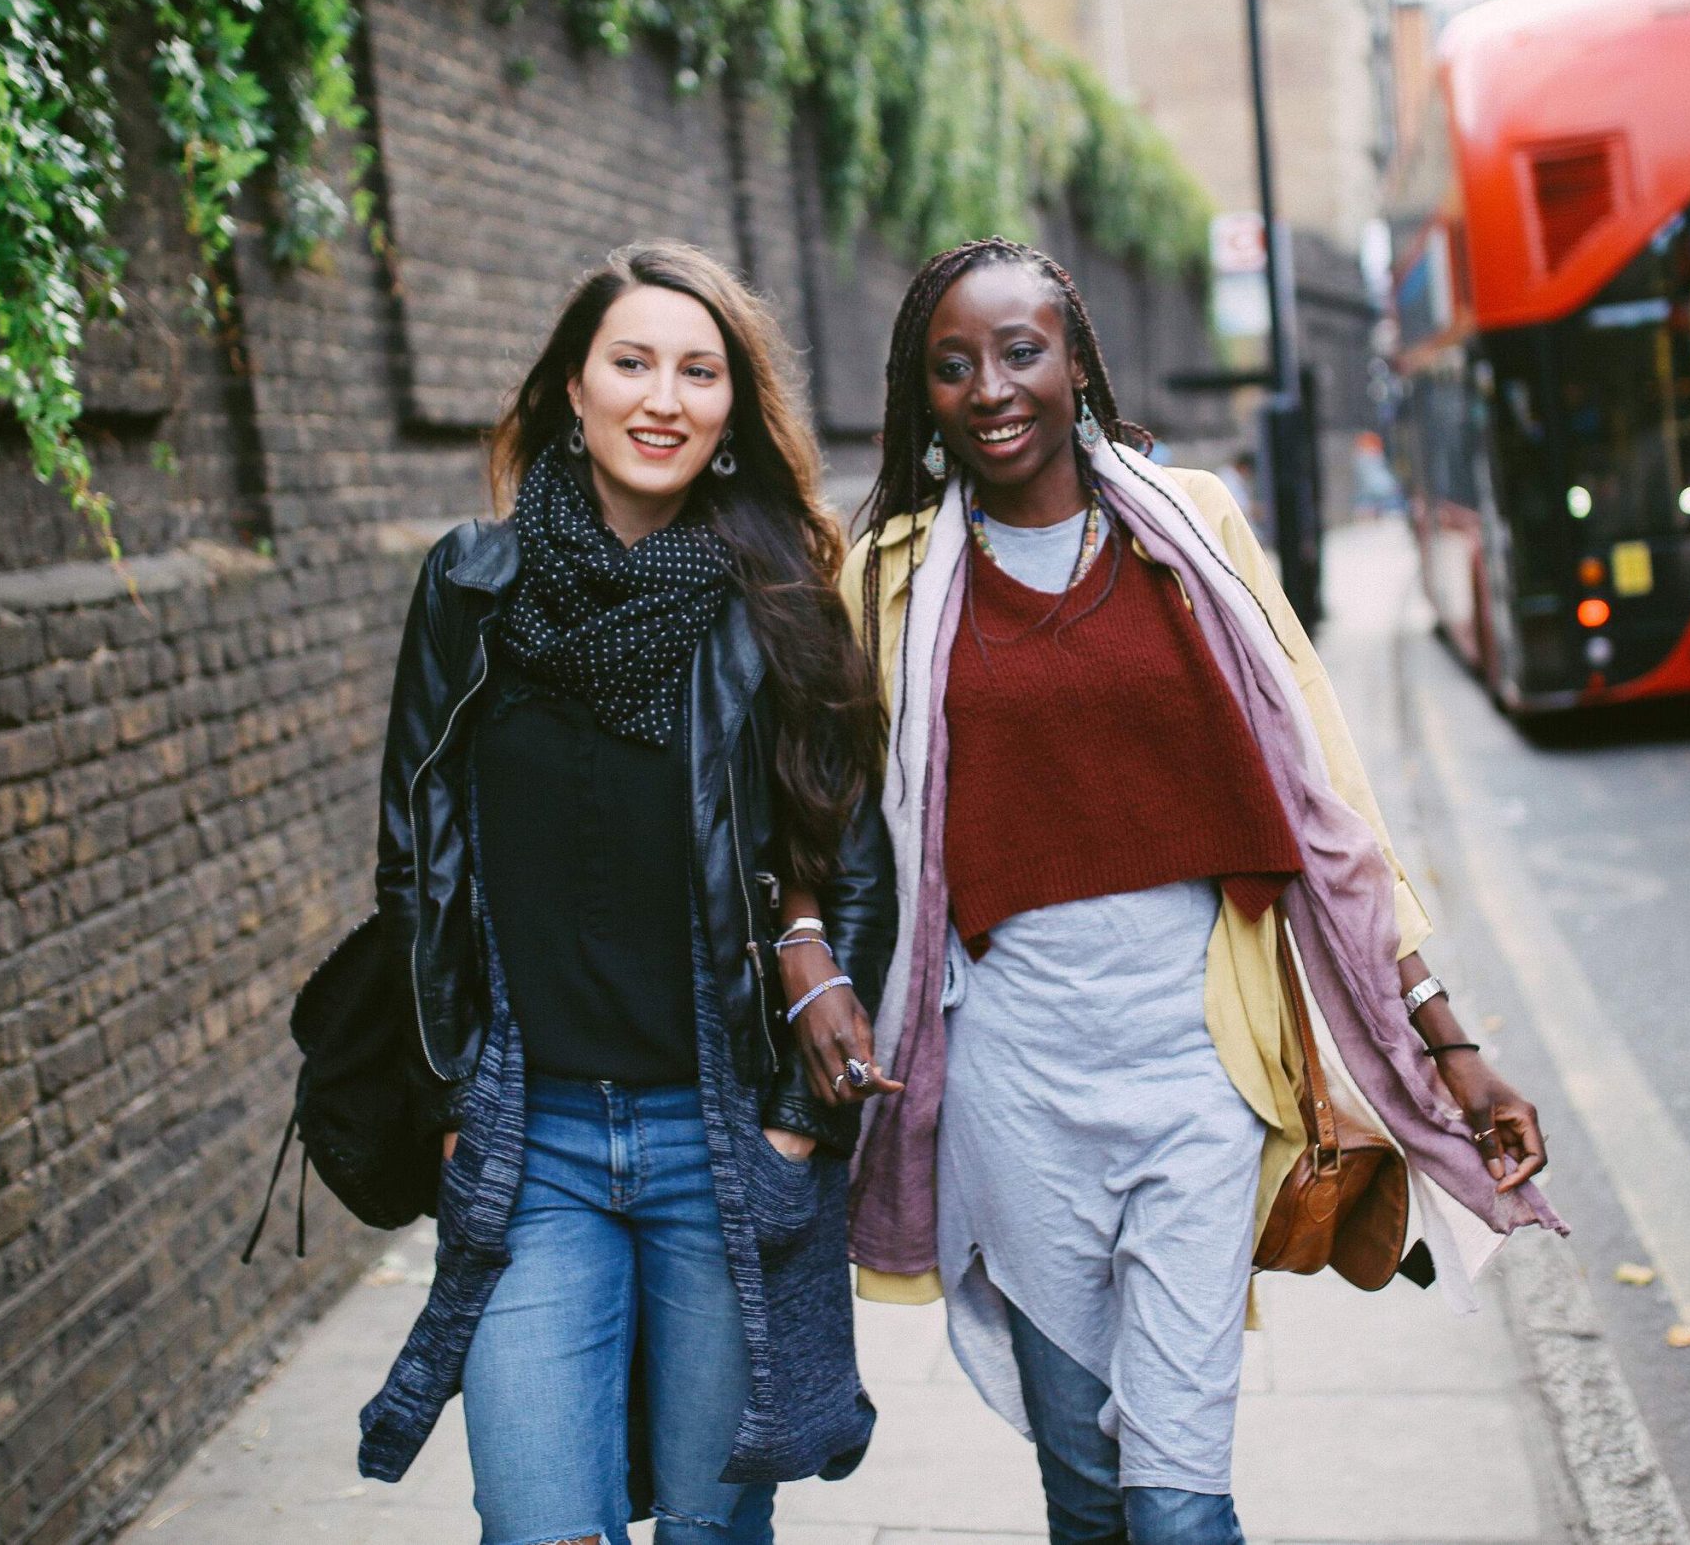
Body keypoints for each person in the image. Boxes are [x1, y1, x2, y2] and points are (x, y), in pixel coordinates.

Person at [841, 238, 1561, 1545]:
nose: (993, 387)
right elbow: (820, 814)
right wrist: (803, 958)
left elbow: (1329, 798)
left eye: (1021, 350)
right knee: (1084, 1501)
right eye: (954, 365)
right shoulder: (888, 574)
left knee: (1176, 1508)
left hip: (1198, 1073)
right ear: (919, 394)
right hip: (1011, 1085)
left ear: (1077, 362)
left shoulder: (1198, 526)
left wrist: (1445, 1035)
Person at [354, 242, 899, 1544]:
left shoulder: (779, 604)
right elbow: (415, 857)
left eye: (699, 371)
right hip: (527, 1143)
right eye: (632, 362)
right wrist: (445, 1104)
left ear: (728, 414)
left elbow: (857, 864)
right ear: (572, 392)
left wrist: (790, 1128)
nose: (664, 396)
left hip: (714, 1143)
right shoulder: (470, 587)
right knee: (541, 1524)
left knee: (714, 1531)